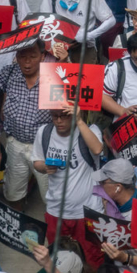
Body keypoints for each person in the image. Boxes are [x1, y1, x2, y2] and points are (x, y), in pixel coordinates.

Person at [0, 42, 50, 210]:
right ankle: (18, 222)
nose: (27, 62)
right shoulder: (9, 72)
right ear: (16, 56)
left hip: (45, 147)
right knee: (14, 194)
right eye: (23, 56)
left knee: (52, 198)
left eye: (33, 56)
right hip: (15, 144)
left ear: (42, 56)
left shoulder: (53, 77)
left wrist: (66, 62)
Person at [31, 104, 103, 263]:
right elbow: (36, 161)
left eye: (64, 115)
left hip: (87, 212)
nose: (59, 120)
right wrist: (44, 167)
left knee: (91, 259)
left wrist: (79, 121)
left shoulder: (90, 130)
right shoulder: (44, 132)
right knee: (59, 260)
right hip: (56, 210)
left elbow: (97, 149)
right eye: (54, 115)